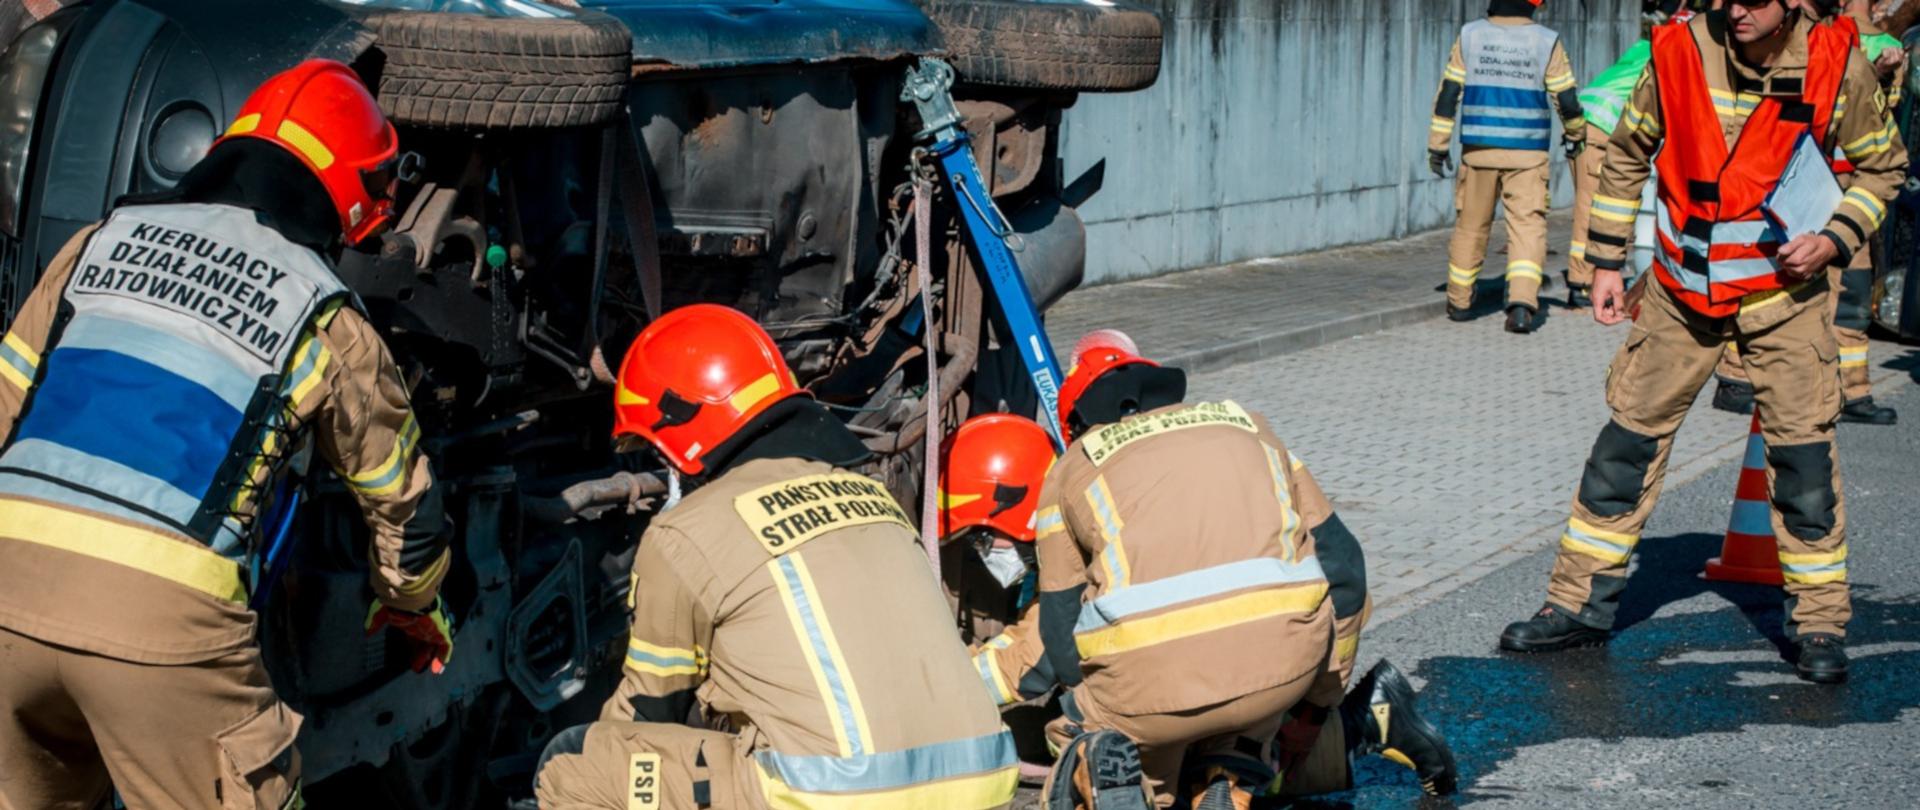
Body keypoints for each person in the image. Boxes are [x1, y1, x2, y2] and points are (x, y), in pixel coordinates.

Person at [0, 60, 452, 808]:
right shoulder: (326, 312)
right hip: (162, 624)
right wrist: (411, 602)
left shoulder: (95, 243)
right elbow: (401, 501)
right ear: (352, 191)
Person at [1499, 0, 1908, 685]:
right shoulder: (1679, 52)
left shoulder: (1837, 64)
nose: (1736, 10)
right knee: (1624, 451)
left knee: (1804, 467)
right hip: (1680, 295)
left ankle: (1819, 624)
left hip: (1784, 300)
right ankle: (1574, 605)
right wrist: (1606, 264)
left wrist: (1834, 238)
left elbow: (1883, 167)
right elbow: (1626, 154)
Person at [532, 304, 1017, 809]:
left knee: (576, 766)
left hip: (837, 795)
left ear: (679, 429)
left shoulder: (684, 533)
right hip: (985, 780)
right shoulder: (873, 496)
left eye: (657, 448)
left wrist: (613, 756)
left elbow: (649, 709)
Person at [1011, 331, 1454, 808]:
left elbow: (1061, 627)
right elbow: (1345, 570)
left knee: (1097, 733)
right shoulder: (1250, 426)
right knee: (1245, 729)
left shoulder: (1071, 468)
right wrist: (1315, 707)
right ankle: (1233, 773)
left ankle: (1101, 760)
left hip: (1149, 692)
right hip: (1280, 674)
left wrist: (1099, 702)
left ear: (1076, 422)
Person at [1713, 0, 1908, 423]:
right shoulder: (1781, 48)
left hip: (1847, 195)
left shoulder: (1845, 49)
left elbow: (1881, 129)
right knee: (1764, 284)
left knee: (1851, 293)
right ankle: (1735, 379)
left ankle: (1851, 391)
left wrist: (1881, 77)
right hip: (1796, 193)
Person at [1430, 0, 1586, 334]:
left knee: (1471, 226)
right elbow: (1567, 99)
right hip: (1527, 154)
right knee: (1527, 227)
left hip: (1479, 150)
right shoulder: (1546, 40)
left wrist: (1438, 144)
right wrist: (1576, 134)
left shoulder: (1470, 35)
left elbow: (1449, 93)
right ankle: (1521, 306)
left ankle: (1459, 302)